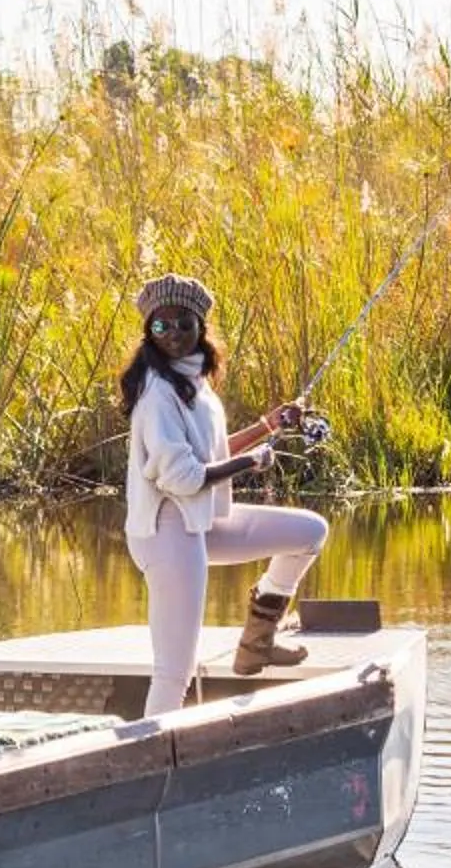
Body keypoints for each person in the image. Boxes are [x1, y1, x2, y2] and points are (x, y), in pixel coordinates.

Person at [121, 273, 330, 716]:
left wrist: (268, 427)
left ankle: (257, 642)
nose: (173, 334)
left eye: (184, 323)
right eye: (161, 326)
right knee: (174, 673)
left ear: (201, 326)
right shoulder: (157, 395)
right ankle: (156, 765)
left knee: (309, 532)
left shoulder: (195, 382)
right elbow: (182, 477)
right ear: (149, 332)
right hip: (167, 531)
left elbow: (206, 453)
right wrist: (249, 464)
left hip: (201, 521)